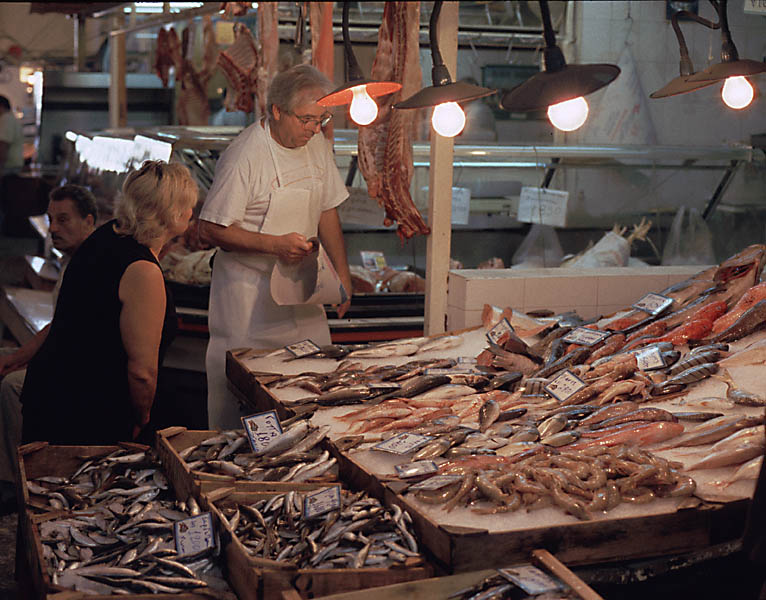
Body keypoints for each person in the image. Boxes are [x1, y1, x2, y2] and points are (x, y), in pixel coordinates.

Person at [199, 64, 353, 429]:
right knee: (245, 406)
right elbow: (209, 228)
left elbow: (327, 209)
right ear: (277, 111)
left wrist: (341, 275)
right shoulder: (245, 156)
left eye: (322, 120)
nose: (315, 129)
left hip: (302, 296)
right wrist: (274, 245)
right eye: (306, 120)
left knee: (312, 396)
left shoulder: (316, 144)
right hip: (248, 306)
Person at [20, 160, 197, 445]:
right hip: (87, 417)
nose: (192, 211)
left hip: (51, 399)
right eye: (188, 205)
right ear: (171, 212)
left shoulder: (106, 235)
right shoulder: (142, 271)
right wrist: (142, 419)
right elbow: (142, 373)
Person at [0, 185, 97, 512]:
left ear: (89, 221)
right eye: (50, 219)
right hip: (60, 359)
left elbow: (67, 334)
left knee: (13, 385)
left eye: (64, 220)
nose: (53, 228)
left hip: (78, 375)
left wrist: (21, 360)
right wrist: (16, 356)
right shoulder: (72, 262)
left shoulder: (90, 266)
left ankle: (21, 480)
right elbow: (57, 325)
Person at [0, 95, 23, 177]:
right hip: (14, 166)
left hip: (7, 167)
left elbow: (3, 145)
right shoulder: (12, 119)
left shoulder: (6, 119)